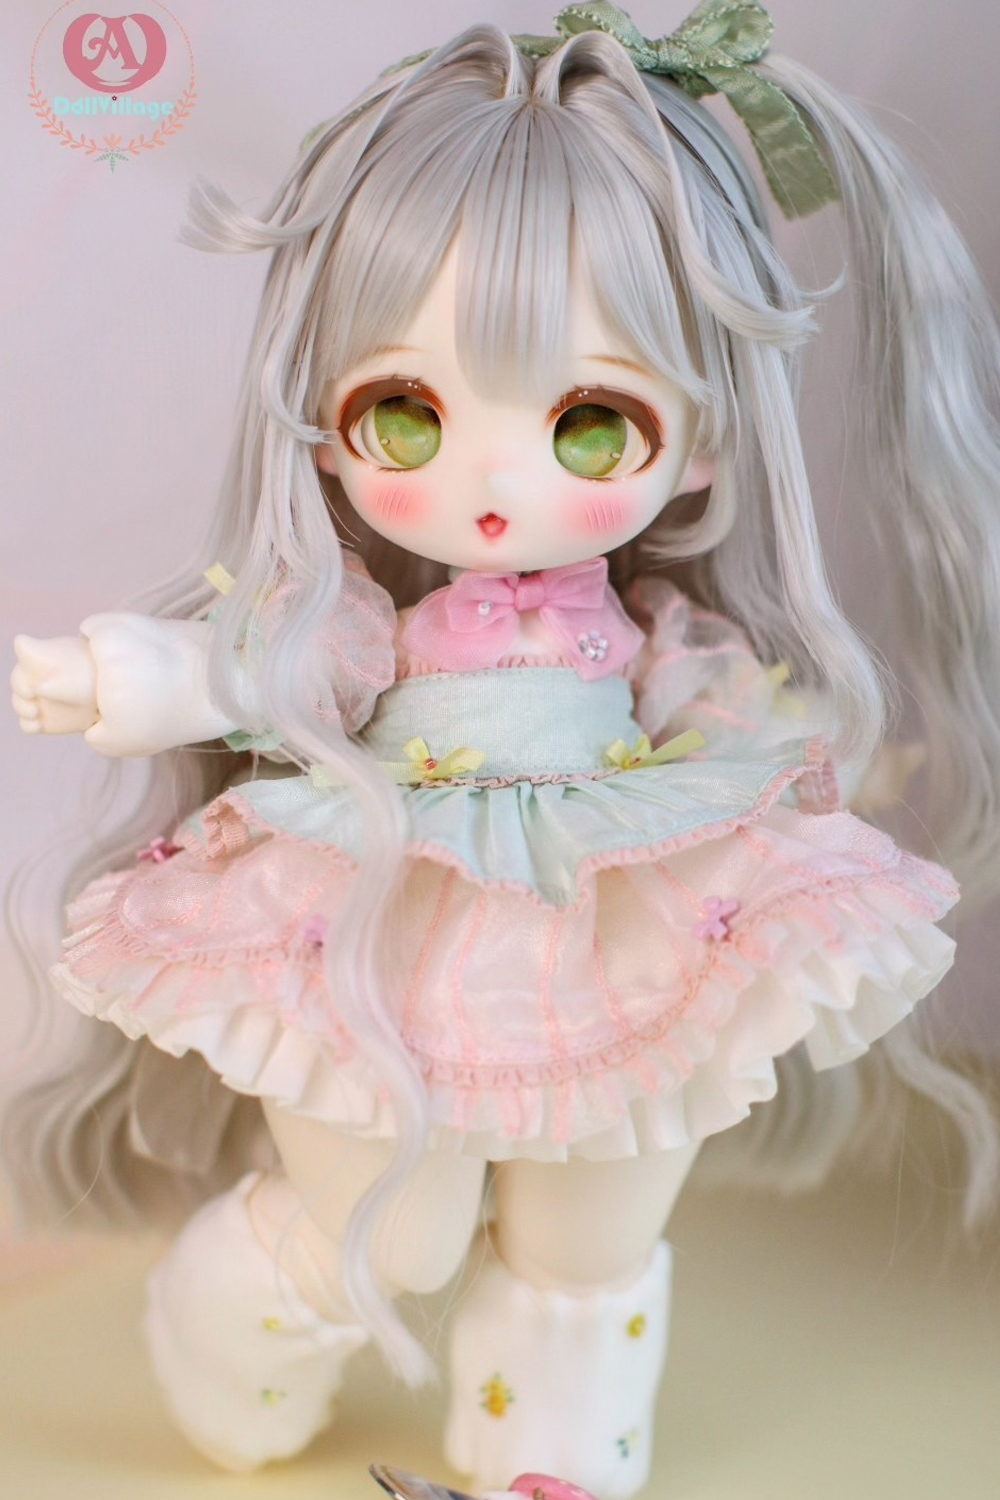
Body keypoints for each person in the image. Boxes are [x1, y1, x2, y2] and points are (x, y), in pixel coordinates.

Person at [8, 5, 1000, 1495]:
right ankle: (234, 1325)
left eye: (589, 425)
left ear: (704, 440)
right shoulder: (371, 627)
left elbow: (737, 718)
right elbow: (278, 663)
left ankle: (554, 1443)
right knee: (389, 1228)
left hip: (622, 906)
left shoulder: (662, 639)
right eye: (405, 414)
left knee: (594, 1223)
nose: (490, 483)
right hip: (385, 898)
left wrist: (837, 781)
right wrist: (135, 675)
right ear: (321, 414)